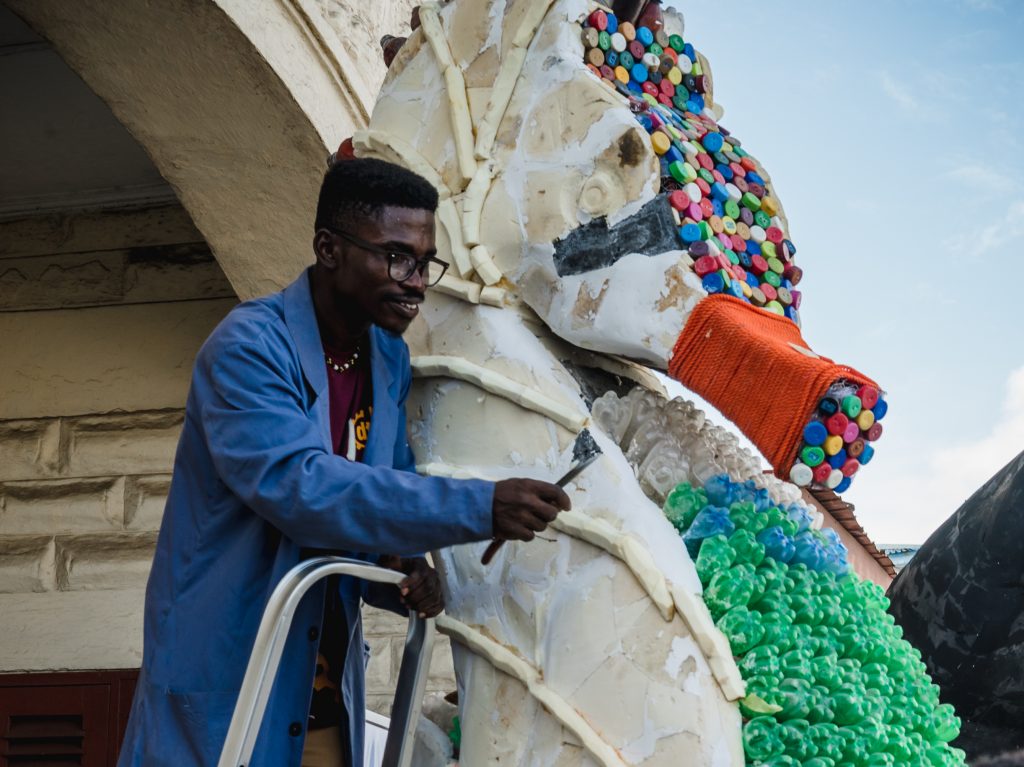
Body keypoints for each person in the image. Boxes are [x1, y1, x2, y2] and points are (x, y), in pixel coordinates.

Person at [117, 158, 571, 767]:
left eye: (423, 262)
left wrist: (408, 572)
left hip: (322, 707)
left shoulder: (388, 361)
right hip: (230, 694)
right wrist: (481, 505)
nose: (415, 280)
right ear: (329, 249)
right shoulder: (247, 346)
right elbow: (303, 490)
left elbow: (382, 498)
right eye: (395, 257)